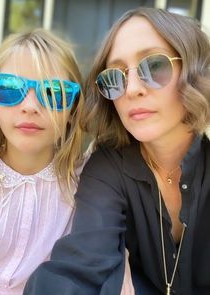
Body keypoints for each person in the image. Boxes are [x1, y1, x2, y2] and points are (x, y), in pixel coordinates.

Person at [23, 7, 210, 295]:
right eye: (115, 76)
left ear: (194, 69)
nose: (131, 89)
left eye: (155, 66)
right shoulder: (108, 166)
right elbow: (79, 268)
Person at [0, 28, 85, 294]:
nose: (30, 105)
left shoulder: (87, 184)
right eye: (9, 88)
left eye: (53, 92)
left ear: (73, 110)